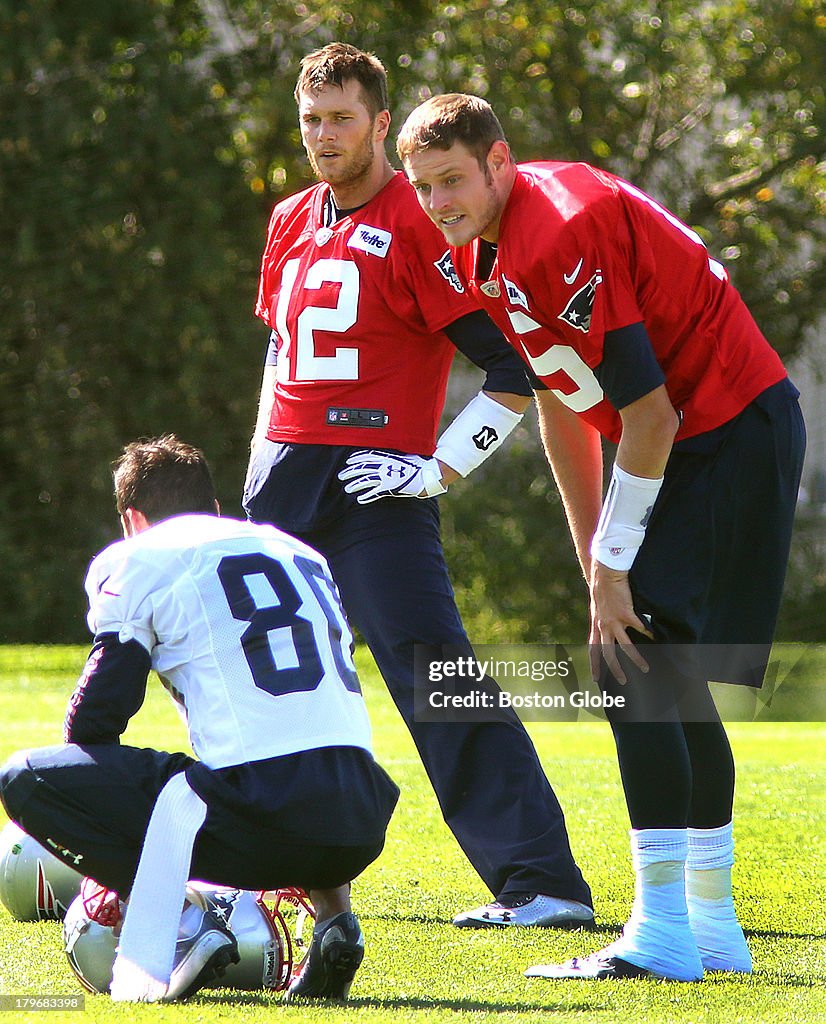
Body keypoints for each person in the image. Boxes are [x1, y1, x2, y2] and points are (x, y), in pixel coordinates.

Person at [398, 94, 805, 980]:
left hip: (723, 432)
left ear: (499, 161)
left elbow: (649, 414)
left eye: (453, 179)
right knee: (666, 672)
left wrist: (615, 573)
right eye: (424, 185)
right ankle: (712, 932)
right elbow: (559, 398)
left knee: (634, 669)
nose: (437, 201)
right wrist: (596, 562)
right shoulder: (482, 245)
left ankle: (662, 933)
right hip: (714, 436)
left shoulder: (555, 229)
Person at [243, 43, 593, 929]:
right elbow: (280, 352)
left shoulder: (418, 221)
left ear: (380, 124)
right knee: (255, 684)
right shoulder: (289, 217)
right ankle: (256, 873)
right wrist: (258, 468)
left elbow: (513, 371)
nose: (324, 136)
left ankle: (542, 883)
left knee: (435, 672)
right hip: (282, 483)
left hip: (376, 490)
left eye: (342, 120)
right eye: (312, 119)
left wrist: (436, 467)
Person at [0, 434, 399, 1002]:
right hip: (361, 815)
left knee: (25, 778)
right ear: (215, 508)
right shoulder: (298, 552)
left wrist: (99, 826)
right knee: (296, 741)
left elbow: (96, 719)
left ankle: (184, 927)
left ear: (132, 520)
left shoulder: (139, 556)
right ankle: (337, 922)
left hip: (261, 812)